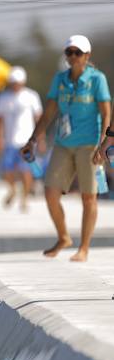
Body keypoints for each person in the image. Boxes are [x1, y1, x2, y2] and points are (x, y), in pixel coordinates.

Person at [22, 35, 111, 262]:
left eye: (77, 53)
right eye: (69, 52)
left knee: (88, 197)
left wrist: (103, 145)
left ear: (87, 55)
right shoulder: (60, 79)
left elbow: (106, 113)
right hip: (63, 143)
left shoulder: (96, 79)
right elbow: (49, 112)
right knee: (50, 192)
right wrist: (33, 139)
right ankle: (63, 237)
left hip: (89, 144)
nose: (72, 57)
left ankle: (84, 248)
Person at [0, 66, 43, 212]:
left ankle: (25, 199)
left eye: (18, 82)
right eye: (13, 82)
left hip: (26, 140)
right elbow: (0, 121)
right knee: (7, 171)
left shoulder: (31, 96)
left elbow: (38, 118)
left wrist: (40, 139)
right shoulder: (3, 98)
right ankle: (13, 190)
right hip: (10, 140)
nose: (15, 84)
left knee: (25, 171)